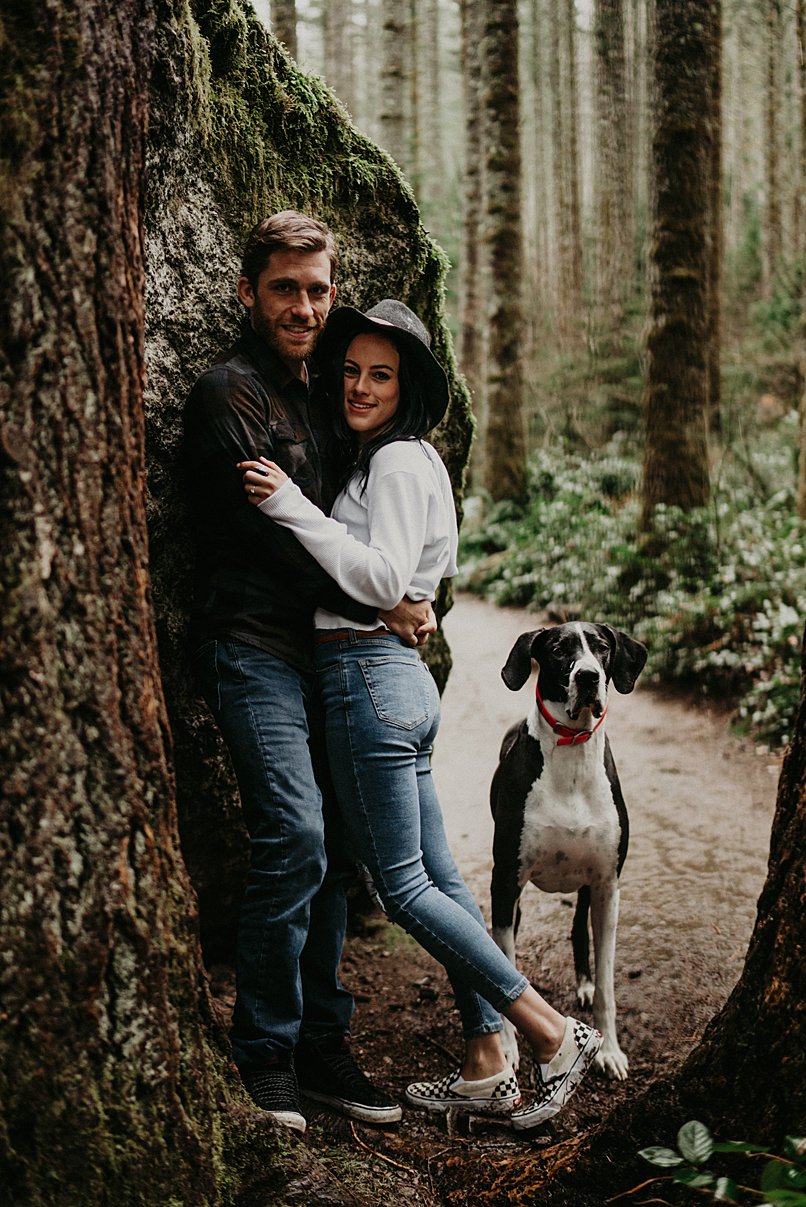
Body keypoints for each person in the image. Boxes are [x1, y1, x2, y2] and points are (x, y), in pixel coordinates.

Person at [238, 300, 602, 1131]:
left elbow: (380, 577)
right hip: (391, 678)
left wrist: (291, 504)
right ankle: (484, 1060)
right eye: (353, 371)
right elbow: (398, 583)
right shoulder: (399, 461)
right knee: (439, 880)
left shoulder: (398, 461)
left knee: (402, 888)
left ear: (410, 388)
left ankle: (548, 1033)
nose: (361, 387)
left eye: (383, 374)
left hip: (364, 676)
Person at [184, 213, 434, 1134]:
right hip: (252, 646)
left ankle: (326, 1043)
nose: (305, 305)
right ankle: (265, 1054)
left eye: (319, 288)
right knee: (292, 831)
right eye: (286, 287)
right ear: (248, 291)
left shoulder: (335, 399)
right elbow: (273, 540)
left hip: (334, 653)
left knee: (340, 854)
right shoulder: (227, 395)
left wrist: (412, 587)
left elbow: (377, 525)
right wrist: (385, 601)